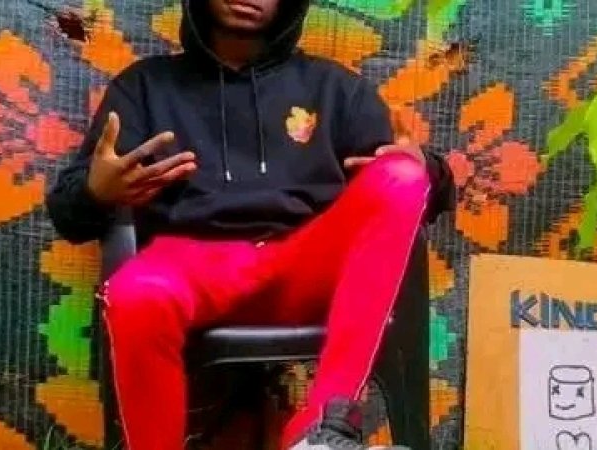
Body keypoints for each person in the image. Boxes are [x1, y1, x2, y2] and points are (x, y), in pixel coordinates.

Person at [47, 0, 455, 448]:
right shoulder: (144, 87)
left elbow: (415, 191)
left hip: (304, 264)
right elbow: (68, 215)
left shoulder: (336, 88)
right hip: (189, 266)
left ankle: (324, 431)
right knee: (134, 294)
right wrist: (96, 192)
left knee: (402, 176)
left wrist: (428, 169)